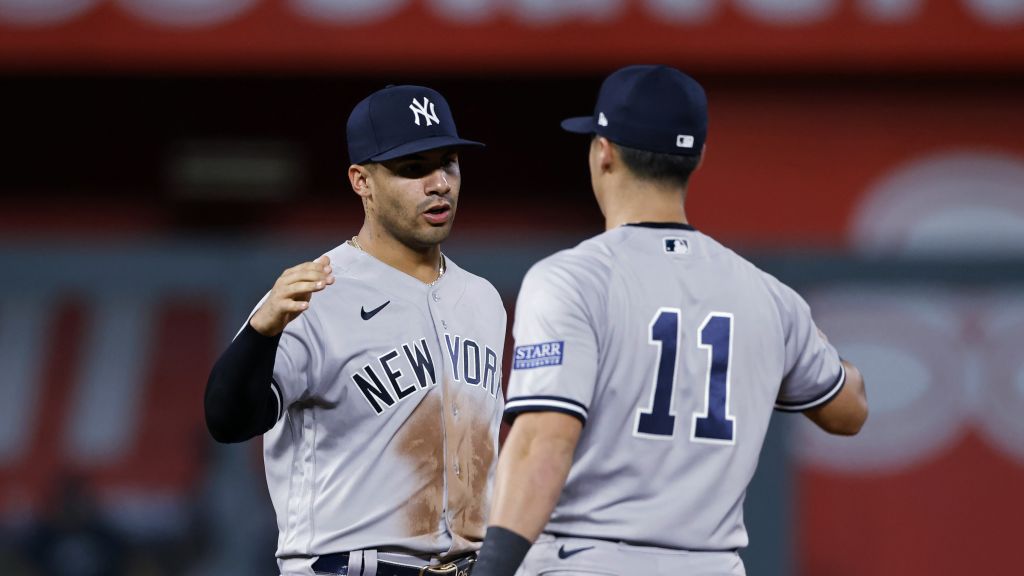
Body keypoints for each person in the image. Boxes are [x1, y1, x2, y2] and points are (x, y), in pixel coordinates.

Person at [472, 65, 868, 576]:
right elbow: (849, 411)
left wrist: (492, 568)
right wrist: (810, 345)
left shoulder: (572, 278)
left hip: (589, 559)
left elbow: (543, 443)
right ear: (697, 157)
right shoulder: (769, 296)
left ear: (603, 151)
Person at [203, 84, 507, 576]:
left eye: (448, 162)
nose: (440, 183)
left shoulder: (484, 300)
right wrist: (261, 332)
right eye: (413, 169)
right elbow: (228, 420)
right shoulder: (317, 290)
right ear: (361, 180)